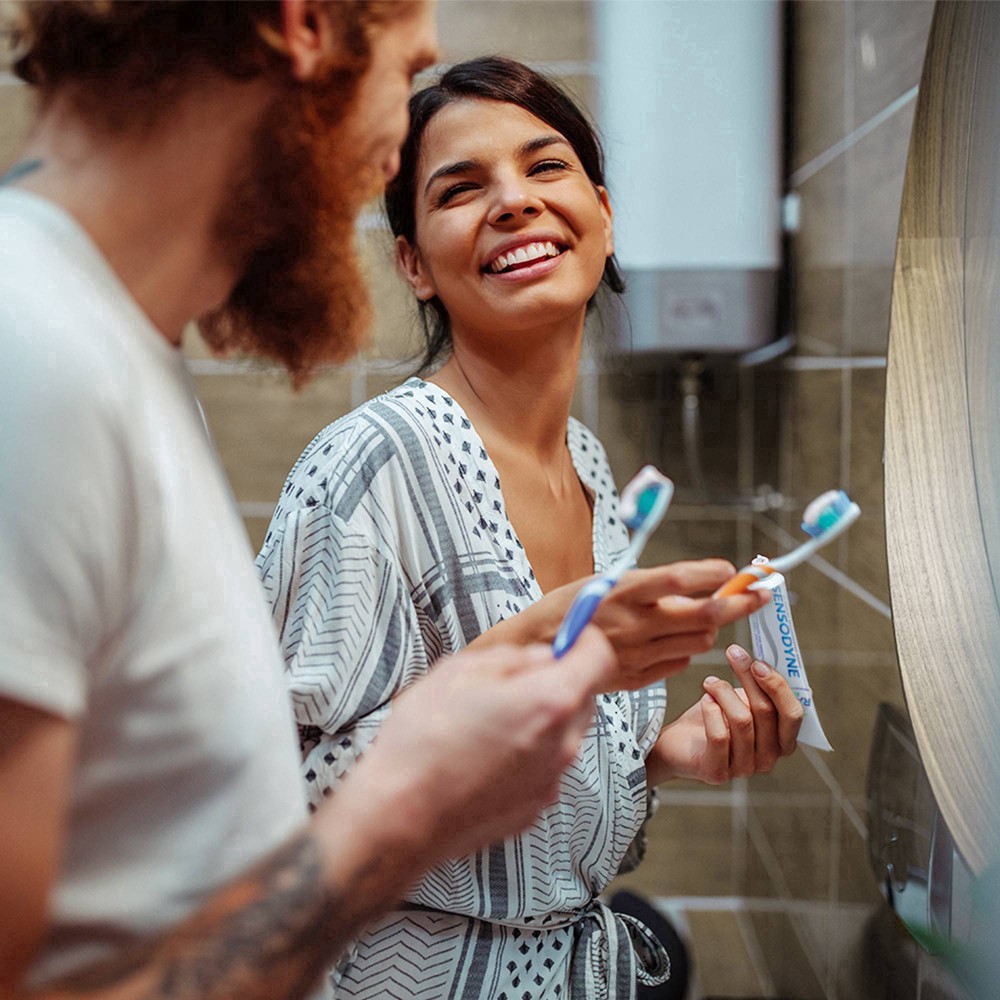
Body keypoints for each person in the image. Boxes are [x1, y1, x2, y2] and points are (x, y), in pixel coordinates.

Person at [0, 7, 639, 999]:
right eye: (408, 70)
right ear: (303, 27)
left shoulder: (113, 356)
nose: (392, 156)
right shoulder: (29, 349)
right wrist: (394, 813)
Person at [257, 56, 804, 1000]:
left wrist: (663, 759)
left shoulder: (591, 471)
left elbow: (534, 801)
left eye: (545, 168)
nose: (514, 202)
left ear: (602, 209)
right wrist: (525, 648)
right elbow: (260, 809)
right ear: (414, 264)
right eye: (461, 189)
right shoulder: (373, 467)